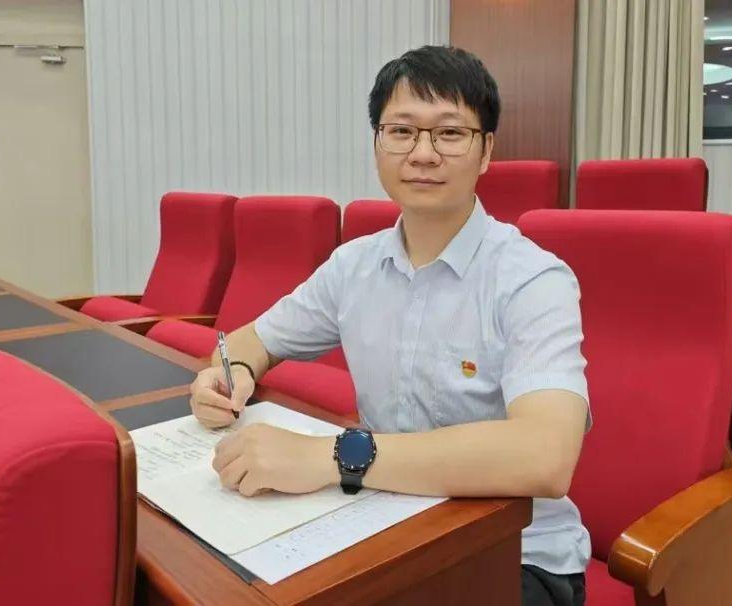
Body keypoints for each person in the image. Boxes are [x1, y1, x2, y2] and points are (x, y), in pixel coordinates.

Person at [189, 45, 590, 606]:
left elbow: (544, 456)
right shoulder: (353, 266)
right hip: (384, 531)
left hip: (513, 554)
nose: (422, 154)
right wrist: (228, 377)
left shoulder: (532, 279)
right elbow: (249, 342)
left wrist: (329, 457)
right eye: (401, 131)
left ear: (486, 151)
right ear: (378, 143)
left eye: (449, 134)